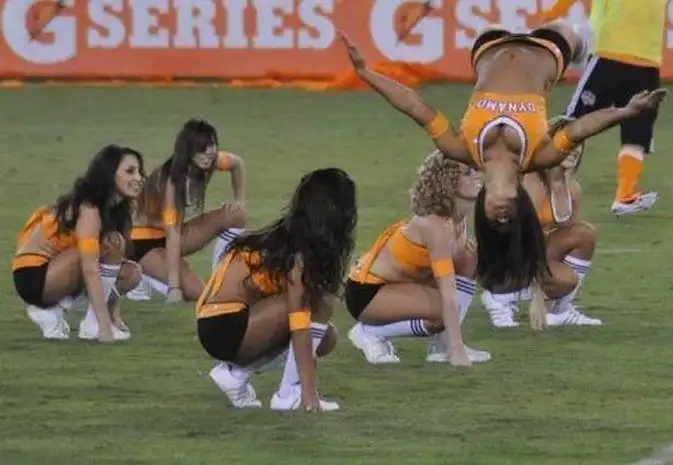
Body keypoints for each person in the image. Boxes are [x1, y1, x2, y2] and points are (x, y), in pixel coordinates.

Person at [338, 27, 666, 294]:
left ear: (482, 214)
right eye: (510, 221)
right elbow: (580, 128)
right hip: (547, 51)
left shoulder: (460, 149)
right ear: (522, 207)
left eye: (495, 224)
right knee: (570, 34)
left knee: (491, 29)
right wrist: (624, 112)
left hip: (489, 48)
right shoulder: (540, 155)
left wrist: (366, 73)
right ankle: (580, 47)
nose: (502, 217)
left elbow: (415, 107)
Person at [196, 168, 357, 412]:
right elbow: (298, 319)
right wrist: (308, 392)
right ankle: (289, 393)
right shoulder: (299, 247)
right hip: (221, 324)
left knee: (326, 336)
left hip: (238, 321)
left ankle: (237, 375)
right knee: (306, 309)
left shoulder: (300, 238)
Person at [345, 151, 489, 366]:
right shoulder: (435, 226)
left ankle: (442, 346)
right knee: (442, 311)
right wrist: (458, 351)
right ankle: (369, 332)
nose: (476, 175)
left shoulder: (458, 218)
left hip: (401, 285)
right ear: (448, 182)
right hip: (367, 293)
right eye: (467, 173)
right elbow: (448, 291)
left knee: (470, 257)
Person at [540, 0, 667, 215]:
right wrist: (552, 14)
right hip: (619, 56)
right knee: (575, 123)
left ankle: (624, 196)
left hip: (636, 59)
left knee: (635, 133)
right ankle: (539, 176)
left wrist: (552, 13)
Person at [11, 144, 146, 342]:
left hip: (61, 268)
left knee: (131, 273)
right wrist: (104, 328)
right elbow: (90, 268)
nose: (139, 178)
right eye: (130, 171)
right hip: (34, 275)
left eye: (140, 172)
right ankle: (89, 323)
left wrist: (114, 316)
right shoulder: (89, 208)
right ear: (109, 174)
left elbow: (112, 265)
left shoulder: (117, 208)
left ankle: (62, 311)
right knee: (106, 246)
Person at [483, 116, 600, 327]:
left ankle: (562, 309)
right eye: (569, 142)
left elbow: (569, 237)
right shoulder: (532, 181)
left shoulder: (572, 189)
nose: (575, 149)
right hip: (508, 255)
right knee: (565, 280)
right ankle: (498, 296)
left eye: (578, 143)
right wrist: (538, 296)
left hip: (536, 251)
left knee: (585, 233)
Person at [127, 119, 247, 303]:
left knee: (237, 215)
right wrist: (174, 287)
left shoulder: (210, 160)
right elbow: (173, 233)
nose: (208, 153)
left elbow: (237, 163)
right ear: (188, 150)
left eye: (211, 146)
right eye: (201, 148)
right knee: (198, 293)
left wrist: (239, 199)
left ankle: (221, 279)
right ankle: (144, 275)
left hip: (171, 231)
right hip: (144, 240)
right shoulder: (170, 181)